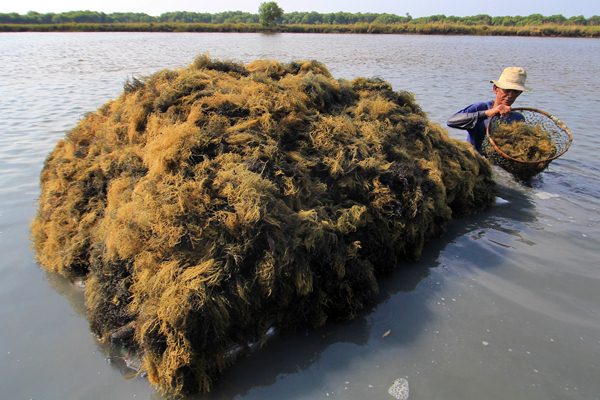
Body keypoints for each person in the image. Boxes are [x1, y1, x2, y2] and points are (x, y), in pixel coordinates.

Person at [447, 66, 530, 153]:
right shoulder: (481, 108)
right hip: (476, 160)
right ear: (495, 89)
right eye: (507, 90)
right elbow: (451, 121)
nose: (510, 95)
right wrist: (488, 113)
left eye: (515, 92)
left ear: (520, 93)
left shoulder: (517, 118)